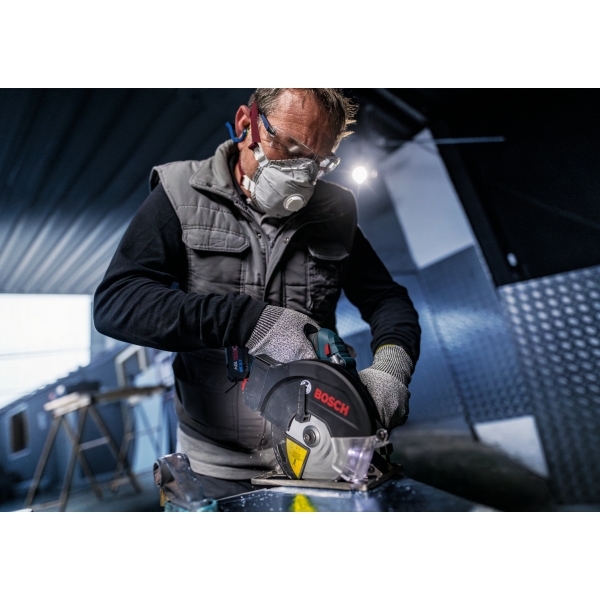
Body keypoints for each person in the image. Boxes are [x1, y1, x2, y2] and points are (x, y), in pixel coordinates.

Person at [93, 88, 421, 499]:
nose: (301, 174)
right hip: (215, 467)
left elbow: (387, 299)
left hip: (321, 456)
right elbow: (117, 302)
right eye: (289, 147)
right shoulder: (180, 194)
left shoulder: (334, 211)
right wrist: (249, 322)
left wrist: (391, 368)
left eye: (318, 162)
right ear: (246, 122)